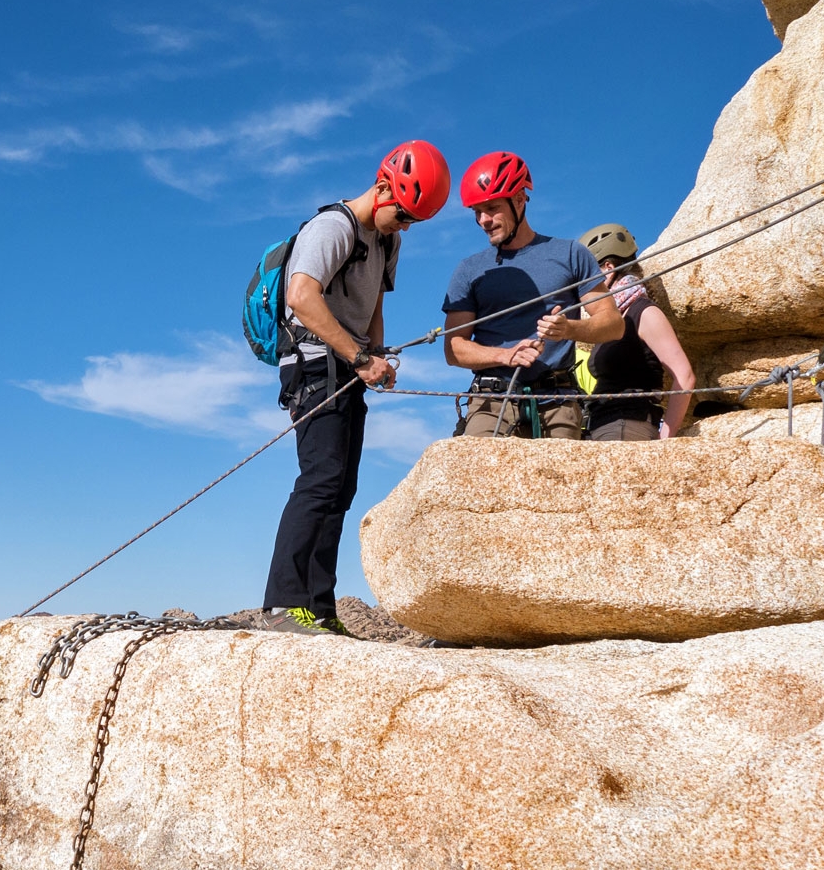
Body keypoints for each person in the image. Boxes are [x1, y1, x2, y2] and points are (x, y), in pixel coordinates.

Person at [261, 140, 451, 635]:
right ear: (384, 186)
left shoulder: (389, 240)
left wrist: (378, 355)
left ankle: (318, 608)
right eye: (404, 214)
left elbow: (375, 307)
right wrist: (359, 356)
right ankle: (284, 604)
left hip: (349, 363)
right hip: (314, 363)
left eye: (414, 220)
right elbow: (301, 297)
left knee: (340, 488)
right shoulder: (333, 227)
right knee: (320, 479)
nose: (406, 225)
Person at [440, 152, 622, 438]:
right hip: (492, 400)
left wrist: (570, 328)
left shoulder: (571, 254)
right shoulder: (469, 269)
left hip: (558, 399)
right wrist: (506, 355)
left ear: (520, 199)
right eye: (477, 211)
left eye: (491, 208)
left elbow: (613, 324)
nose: (483, 220)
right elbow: (454, 348)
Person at [576, 223, 697, 440]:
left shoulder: (643, 311)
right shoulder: (615, 317)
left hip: (627, 424)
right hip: (605, 422)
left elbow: (684, 375)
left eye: (588, 276)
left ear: (608, 268)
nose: (584, 288)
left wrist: (665, 439)